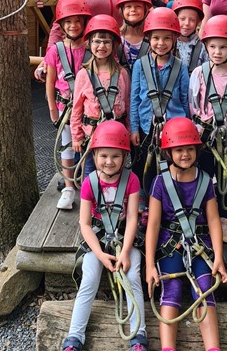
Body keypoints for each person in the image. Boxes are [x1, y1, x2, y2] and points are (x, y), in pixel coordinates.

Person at [145, 116, 227, 353]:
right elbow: (153, 224)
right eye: (178, 150)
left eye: (189, 149)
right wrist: (150, 264)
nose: (185, 155)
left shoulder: (204, 181)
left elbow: (213, 220)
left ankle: (213, 349)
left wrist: (219, 258)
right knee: (172, 289)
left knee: (203, 288)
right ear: (168, 153)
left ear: (197, 150)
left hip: (199, 244)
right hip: (169, 245)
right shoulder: (160, 183)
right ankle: (167, 349)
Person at [64, 121, 147, 352]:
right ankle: (74, 336)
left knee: (132, 276)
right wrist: (100, 255)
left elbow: (132, 219)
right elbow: (85, 223)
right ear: (95, 155)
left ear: (124, 157)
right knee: (89, 279)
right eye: (103, 156)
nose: (109, 162)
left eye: (115, 156)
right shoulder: (89, 183)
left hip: (124, 236)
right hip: (98, 239)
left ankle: (138, 334)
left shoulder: (131, 180)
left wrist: (127, 252)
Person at [189, 14, 227, 244]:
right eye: (213, 46)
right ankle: (203, 214)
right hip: (204, 136)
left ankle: (223, 218)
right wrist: (199, 129)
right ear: (205, 46)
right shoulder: (199, 74)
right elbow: (193, 104)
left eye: (223, 47)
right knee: (203, 175)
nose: (217, 52)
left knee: (226, 177)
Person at [130, 7, 190, 204]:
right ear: (149, 38)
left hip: (173, 128)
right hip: (146, 127)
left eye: (166, 38)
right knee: (142, 167)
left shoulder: (180, 67)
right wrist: (134, 127)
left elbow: (184, 99)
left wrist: (186, 129)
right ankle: (144, 204)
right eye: (156, 38)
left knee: (171, 167)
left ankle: (169, 203)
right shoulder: (140, 65)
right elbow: (135, 99)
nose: (161, 43)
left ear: (174, 39)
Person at [71, 14, 131, 178]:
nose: (101, 46)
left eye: (106, 42)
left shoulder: (122, 74)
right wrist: (76, 137)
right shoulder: (84, 74)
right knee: (90, 174)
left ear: (114, 45)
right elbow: (76, 109)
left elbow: (128, 103)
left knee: (116, 174)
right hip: (92, 137)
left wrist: (130, 131)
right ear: (89, 44)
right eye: (97, 41)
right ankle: (91, 203)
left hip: (117, 136)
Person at [46, 0, 91, 209]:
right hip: (65, 107)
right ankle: (69, 187)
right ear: (62, 24)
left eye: (77, 21)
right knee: (67, 146)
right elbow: (50, 81)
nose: (73, 25)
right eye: (68, 22)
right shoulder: (56, 50)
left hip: (88, 108)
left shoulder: (91, 49)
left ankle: (87, 184)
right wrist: (52, 109)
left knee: (86, 144)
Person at [118, 0, 153, 64]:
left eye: (138, 6)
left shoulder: (153, 38)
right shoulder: (116, 38)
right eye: (128, 6)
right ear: (122, 10)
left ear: (145, 10)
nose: (133, 10)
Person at [172, 0, 207, 73]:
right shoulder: (169, 44)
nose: (187, 23)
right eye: (182, 19)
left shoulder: (202, 48)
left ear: (198, 22)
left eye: (192, 20)